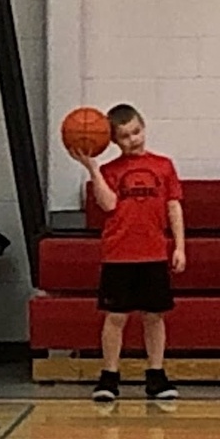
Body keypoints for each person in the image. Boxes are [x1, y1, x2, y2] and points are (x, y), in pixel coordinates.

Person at [70, 103, 184, 402]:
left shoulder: (164, 166)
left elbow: (174, 206)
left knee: (154, 317)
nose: (133, 139)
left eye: (136, 132)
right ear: (114, 141)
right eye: (125, 136)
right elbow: (108, 205)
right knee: (116, 317)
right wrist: (93, 168)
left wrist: (180, 246)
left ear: (143, 127)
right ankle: (109, 377)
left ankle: (156, 376)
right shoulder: (109, 171)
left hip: (154, 254)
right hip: (119, 255)